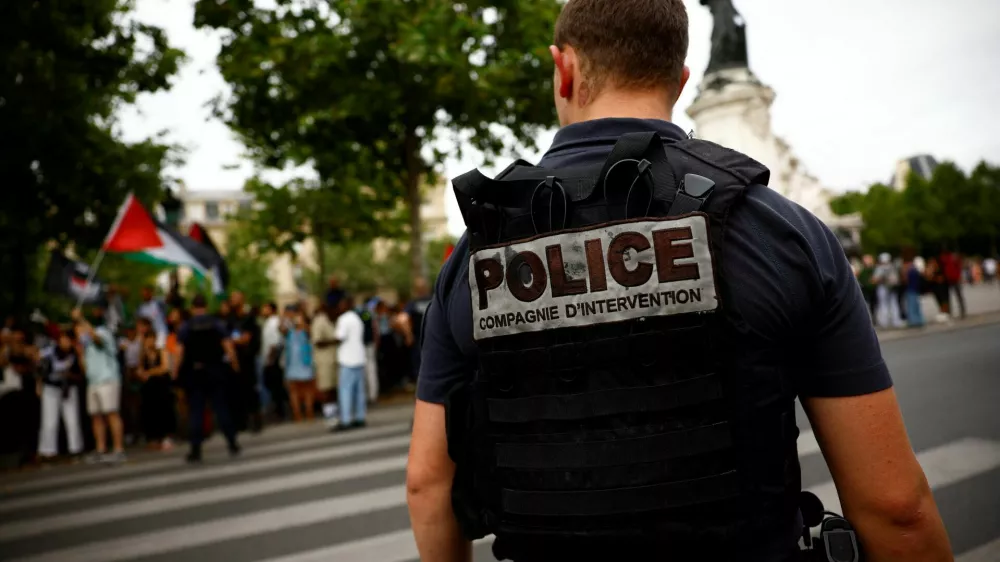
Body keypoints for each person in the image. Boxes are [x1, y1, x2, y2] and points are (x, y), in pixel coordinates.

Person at [406, 2, 951, 561]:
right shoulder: (779, 231)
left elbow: (428, 485)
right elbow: (895, 509)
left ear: (563, 69)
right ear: (681, 80)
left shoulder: (477, 252)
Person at [175, 294, 241, 463]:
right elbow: (228, 346)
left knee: (196, 411)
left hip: (195, 372)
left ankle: (195, 449)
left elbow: (179, 352)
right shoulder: (216, 323)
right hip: (215, 370)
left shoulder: (186, 327)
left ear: (192, 307)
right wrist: (234, 364)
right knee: (221, 407)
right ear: (206, 306)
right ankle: (232, 443)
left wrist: (175, 371)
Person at [75, 306, 126, 464]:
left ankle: (118, 449)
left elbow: (96, 338)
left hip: (108, 379)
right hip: (94, 381)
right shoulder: (85, 344)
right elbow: (84, 367)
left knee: (111, 413)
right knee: (96, 416)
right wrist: (80, 353)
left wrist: (80, 319)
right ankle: (100, 449)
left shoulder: (104, 332)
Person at [37, 330, 85, 461]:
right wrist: (39, 385)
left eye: (68, 340)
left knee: (72, 420)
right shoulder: (50, 352)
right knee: (49, 421)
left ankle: (75, 449)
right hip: (51, 388)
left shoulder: (74, 353)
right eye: (64, 340)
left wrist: (70, 375)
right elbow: (40, 367)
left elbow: (80, 374)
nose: (66, 343)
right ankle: (48, 451)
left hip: (68, 388)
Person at [228, 291, 263, 433]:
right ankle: (241, 421)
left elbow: (245, 339)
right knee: (237, 391)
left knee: (250, 390)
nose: (233, 301)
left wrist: (235, 341)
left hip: (247, 359)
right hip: (235, 360)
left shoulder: (249, 318)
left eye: (235, 298)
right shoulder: (230, 319)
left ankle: (256, 420)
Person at [333, 295, 367, 430]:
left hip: (347, 359)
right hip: (359, 357)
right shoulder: (357, 319)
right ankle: (360, 417)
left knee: (345, 390)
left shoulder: (343, 319)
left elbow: (339, 337)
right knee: (359, 391)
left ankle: (346, 419)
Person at [137, 329, 175, 450]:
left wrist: (149, 373)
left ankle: (166, 436)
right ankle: (153, 437)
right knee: (150, 412)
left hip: (161, 386)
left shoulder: (161, 351)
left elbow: (165, 367)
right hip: (149, 388)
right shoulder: (143, 355)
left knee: (163, 411)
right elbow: (139, 370)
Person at [311, 303, 340, 426]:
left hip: (332, 359)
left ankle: (335, 413)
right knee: (326, 389)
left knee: (333, 388)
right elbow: (317, 341)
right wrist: (335, 340)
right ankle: (329, 415)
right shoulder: (319, 321)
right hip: (324, 360)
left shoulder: (329, 320)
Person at [284, 311, 315, 422]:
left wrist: (302, 324)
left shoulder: (305, 331)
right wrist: (287, 318)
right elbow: (281, 328)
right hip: (292, 364)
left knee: (307, 390)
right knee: (294, 390)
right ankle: (297, 414)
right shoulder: (289, 332)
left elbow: (310, 332)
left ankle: (309, 411)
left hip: (305, 363)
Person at [259, 302, 287, 420]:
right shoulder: (268, 323)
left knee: (276, 386)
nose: (263, 311)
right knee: (274, 386)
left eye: (265, 308)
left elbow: (274, 344)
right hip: (270, 359)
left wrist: (270, 360)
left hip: (273, 359)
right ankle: (279, 408)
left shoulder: (273, 322)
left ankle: (280, 411)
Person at [404, 278, 433, 385]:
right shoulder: (434, 299)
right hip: (434, 338)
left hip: (419, 339)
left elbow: (403, 319)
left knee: (420, 365)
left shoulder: (412, 303)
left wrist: (408, 335)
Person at [940, 249, 966, 319]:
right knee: (951, 296)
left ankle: (961, 311)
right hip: (950, 279)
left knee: (956, 296)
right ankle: (952, 312)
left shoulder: (949, 258)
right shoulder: (946, 258)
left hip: (953, 278)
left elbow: (959, 267)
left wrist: (959, 276)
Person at [903, 258, 925, 328]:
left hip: (911, 290)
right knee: (916, 306)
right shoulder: (916, 271)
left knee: (911, 306)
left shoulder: (911, 271)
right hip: (915, 290)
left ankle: (913, 321)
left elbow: (906, 280)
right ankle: (919, 320)